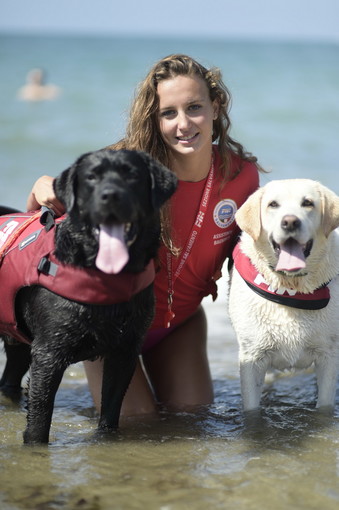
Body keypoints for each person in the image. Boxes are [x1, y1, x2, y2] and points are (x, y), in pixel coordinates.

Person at [26, 54, 262, 418]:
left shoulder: (241, 175)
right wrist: (39, 188)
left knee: (191, 419)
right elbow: (44, 229)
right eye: (169, 113)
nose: (183, 124)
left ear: (216, 107)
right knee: (137, 425)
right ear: (155, 118)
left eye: (195, 107)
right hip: (110, 325)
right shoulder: (125, 172)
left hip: (179, 323)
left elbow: (251, 256)